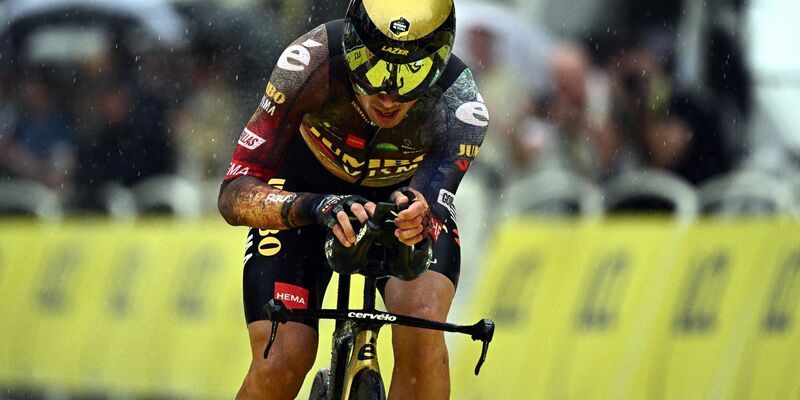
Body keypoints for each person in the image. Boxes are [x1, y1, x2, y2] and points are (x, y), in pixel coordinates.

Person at [217, 0, 488, 399]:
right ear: (350, 47)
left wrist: (419, 217)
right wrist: (312, 207)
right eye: (373, 69)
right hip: (306, 195)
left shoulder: (461, 105)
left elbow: (430, 202)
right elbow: (234, 193)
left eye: (412, 75)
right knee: (281, 360)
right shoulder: (309, 65)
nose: (389, 96)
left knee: (423, 337)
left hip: (395, 205)